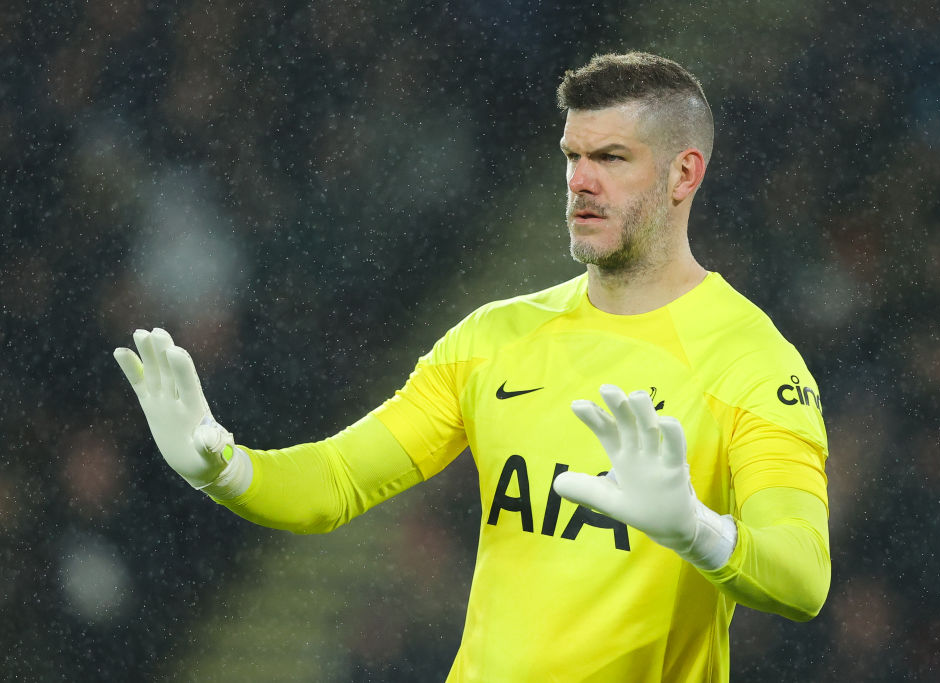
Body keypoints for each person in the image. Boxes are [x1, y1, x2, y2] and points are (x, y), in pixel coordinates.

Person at [115, 52, 830, 682]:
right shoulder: (495, 337)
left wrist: (694, 528)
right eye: (571, 156)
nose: (581, 181)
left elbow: (803, 576)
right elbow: (334, 482)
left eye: (611, 158)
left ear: (684, 173)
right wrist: (224, 468)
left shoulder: (752, 360)